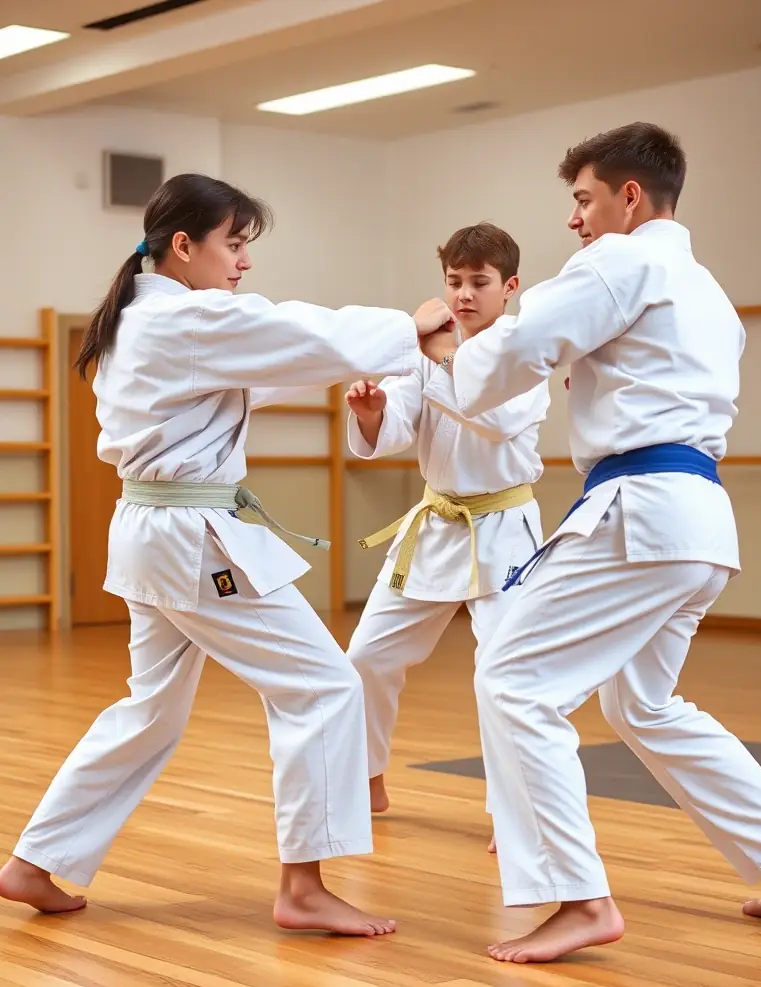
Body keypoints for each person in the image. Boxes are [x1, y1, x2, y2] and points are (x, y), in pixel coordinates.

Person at [0, 172, 454, 937]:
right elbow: (290, 334)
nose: (243, 263)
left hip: (154, 539)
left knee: (150, 711)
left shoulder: (148, 323)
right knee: (324, 687)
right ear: (185, 246)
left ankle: (34, 862)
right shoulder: (184, 322)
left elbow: (257, 368)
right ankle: (304, 888)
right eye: (233, 244)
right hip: (188, 542)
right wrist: (408, 327)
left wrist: (377, 357)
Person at [418, 123, 761, 962]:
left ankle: (578, 896)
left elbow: (520, 348)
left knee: (512, 679)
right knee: (640, 704)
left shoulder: (620, 260)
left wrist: (440, 347)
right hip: (697, 520)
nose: (574, 220)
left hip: (639, 510)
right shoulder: (707, 289)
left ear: (629, 197)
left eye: (582, 199)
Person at [345, 223, 549, 836]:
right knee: (367, 655)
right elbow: (399, 426)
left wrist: (443, 359)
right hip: (438, 523)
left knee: (502, 672)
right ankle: (367, 774)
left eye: (479, 282)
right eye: (454, 281)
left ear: (509, 286)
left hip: (504, 526)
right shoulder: (428, 351)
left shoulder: (524, 350)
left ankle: (514, 813)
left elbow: (499, 419)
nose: (463, 294)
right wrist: (374, 413)